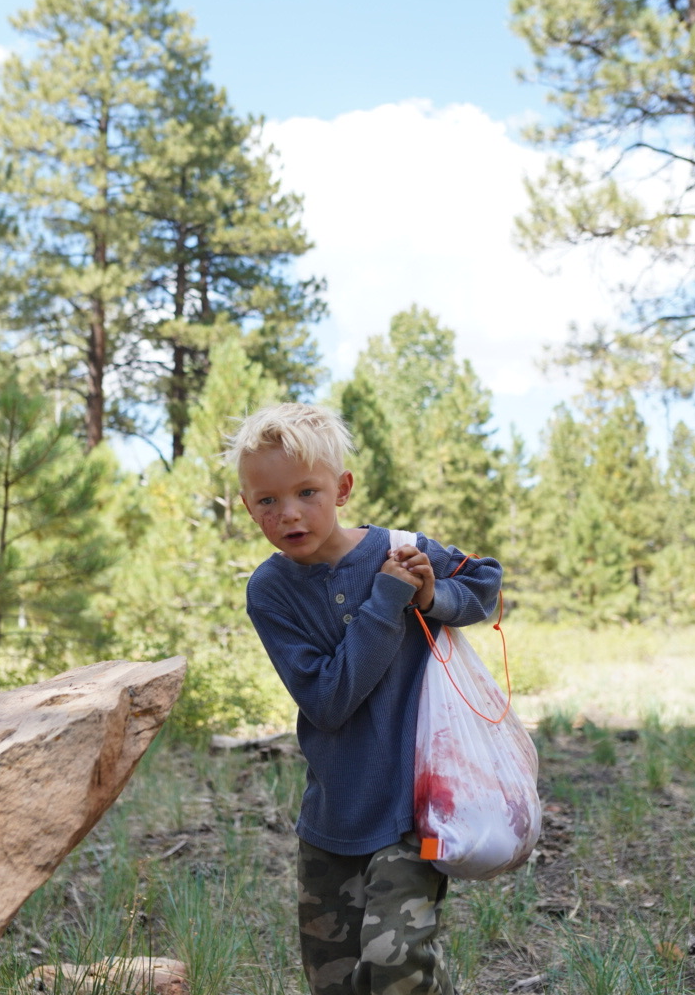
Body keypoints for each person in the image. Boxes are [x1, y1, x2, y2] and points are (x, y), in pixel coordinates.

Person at [226, 402, 503, 995]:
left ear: (343, 488)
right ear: (247, 506)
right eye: (267, 501)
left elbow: (485, 585)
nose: (290, 513)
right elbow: (329, 700)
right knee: (338, 981)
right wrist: (385, 605)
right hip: (333, 816)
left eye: (307, 491)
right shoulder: (271, 592)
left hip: (412, 806)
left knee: (398, 959)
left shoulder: (397, 551)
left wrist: (429, 595)